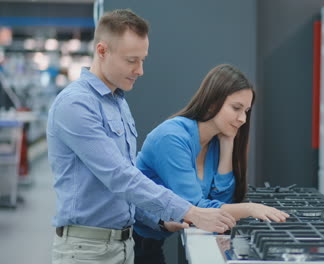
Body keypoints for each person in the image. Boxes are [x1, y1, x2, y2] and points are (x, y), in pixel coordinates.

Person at [47, 9, 235, 264]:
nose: (140, 70)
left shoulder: (118, 103)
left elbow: (126, 185)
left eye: (143, 60)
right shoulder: (75, 105)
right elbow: (119, 177)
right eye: (132, 60)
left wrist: (161, 221)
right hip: (86, 251)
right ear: (102, 51)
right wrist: (189, 211)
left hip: (124, 245)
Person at [132, 64, 290, 264]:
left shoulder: (215, 141)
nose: (242, 119)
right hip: (127, 240)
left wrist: (227, 143)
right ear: (212, 103)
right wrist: (250, 209)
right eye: (236, 108)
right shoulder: (172, 138)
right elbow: (195, 208)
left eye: (246, 111)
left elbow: (221, 200)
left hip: (152, 240)